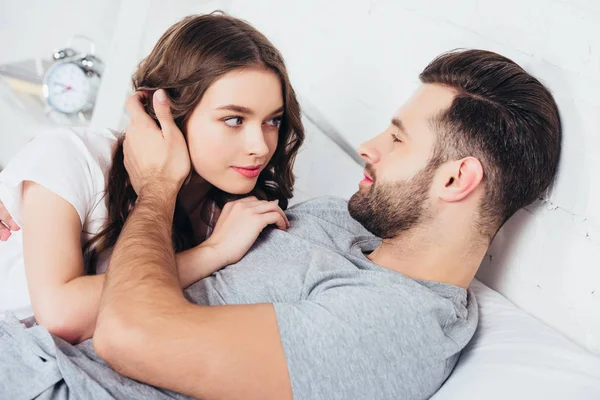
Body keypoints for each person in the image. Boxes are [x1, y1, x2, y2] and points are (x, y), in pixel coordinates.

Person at [0, 49, 561, 400]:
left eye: (396, 137)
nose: (367, 148)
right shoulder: (340, 221)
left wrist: (157, 186)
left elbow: (130, 335)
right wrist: (37, 192)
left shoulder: (396, 327)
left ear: (456, 180)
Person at [0, 12, 304, 344]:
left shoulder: (233, 214)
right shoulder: (72, 156)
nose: (260, 147)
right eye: (233, 120)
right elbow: (61, 316)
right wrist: (212, 253)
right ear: (168, 110)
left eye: (272, 121)